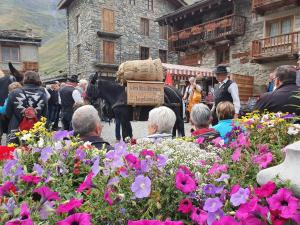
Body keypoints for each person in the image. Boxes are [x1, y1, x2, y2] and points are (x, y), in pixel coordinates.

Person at [5, 71, 48, 143]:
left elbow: (8, 113)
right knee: (33, 152)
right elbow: (45, 116)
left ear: (24, 79)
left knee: (14, 152)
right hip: (35, 130)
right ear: (38, 80)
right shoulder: (43, 95)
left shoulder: (14, 93)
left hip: (16, 129)